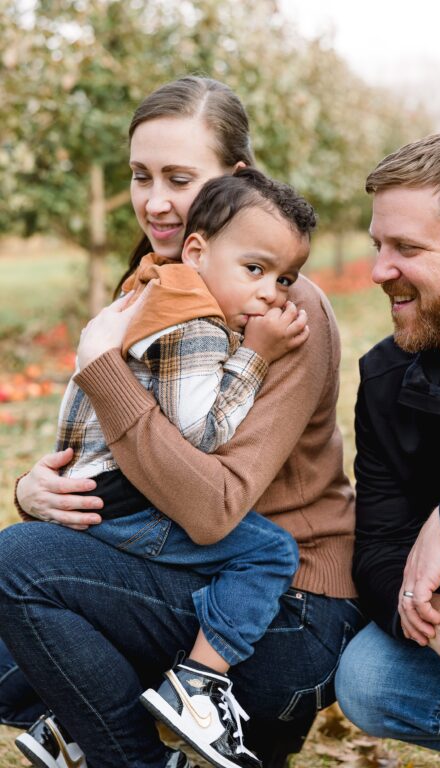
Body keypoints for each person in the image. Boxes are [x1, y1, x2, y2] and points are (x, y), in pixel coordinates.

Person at [0, 76, 362, 768]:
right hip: (182, 569)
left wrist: (101, 366)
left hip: (279, 609)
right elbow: (114, 437)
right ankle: (93, 718)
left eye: (179, 178)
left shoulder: (284, 311)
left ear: (237, 178)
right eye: (141, 176)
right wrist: (32, 490)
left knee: (16, 566)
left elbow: (213, 508)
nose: (155, 202)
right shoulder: (157, 280)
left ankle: (132, 742)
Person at [333, 131, 440, 768]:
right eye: (378, 245)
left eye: (406, 248)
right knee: (369, 681)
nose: (380, 271)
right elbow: (379, 545)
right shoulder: (385, 380)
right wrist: (434, 615)